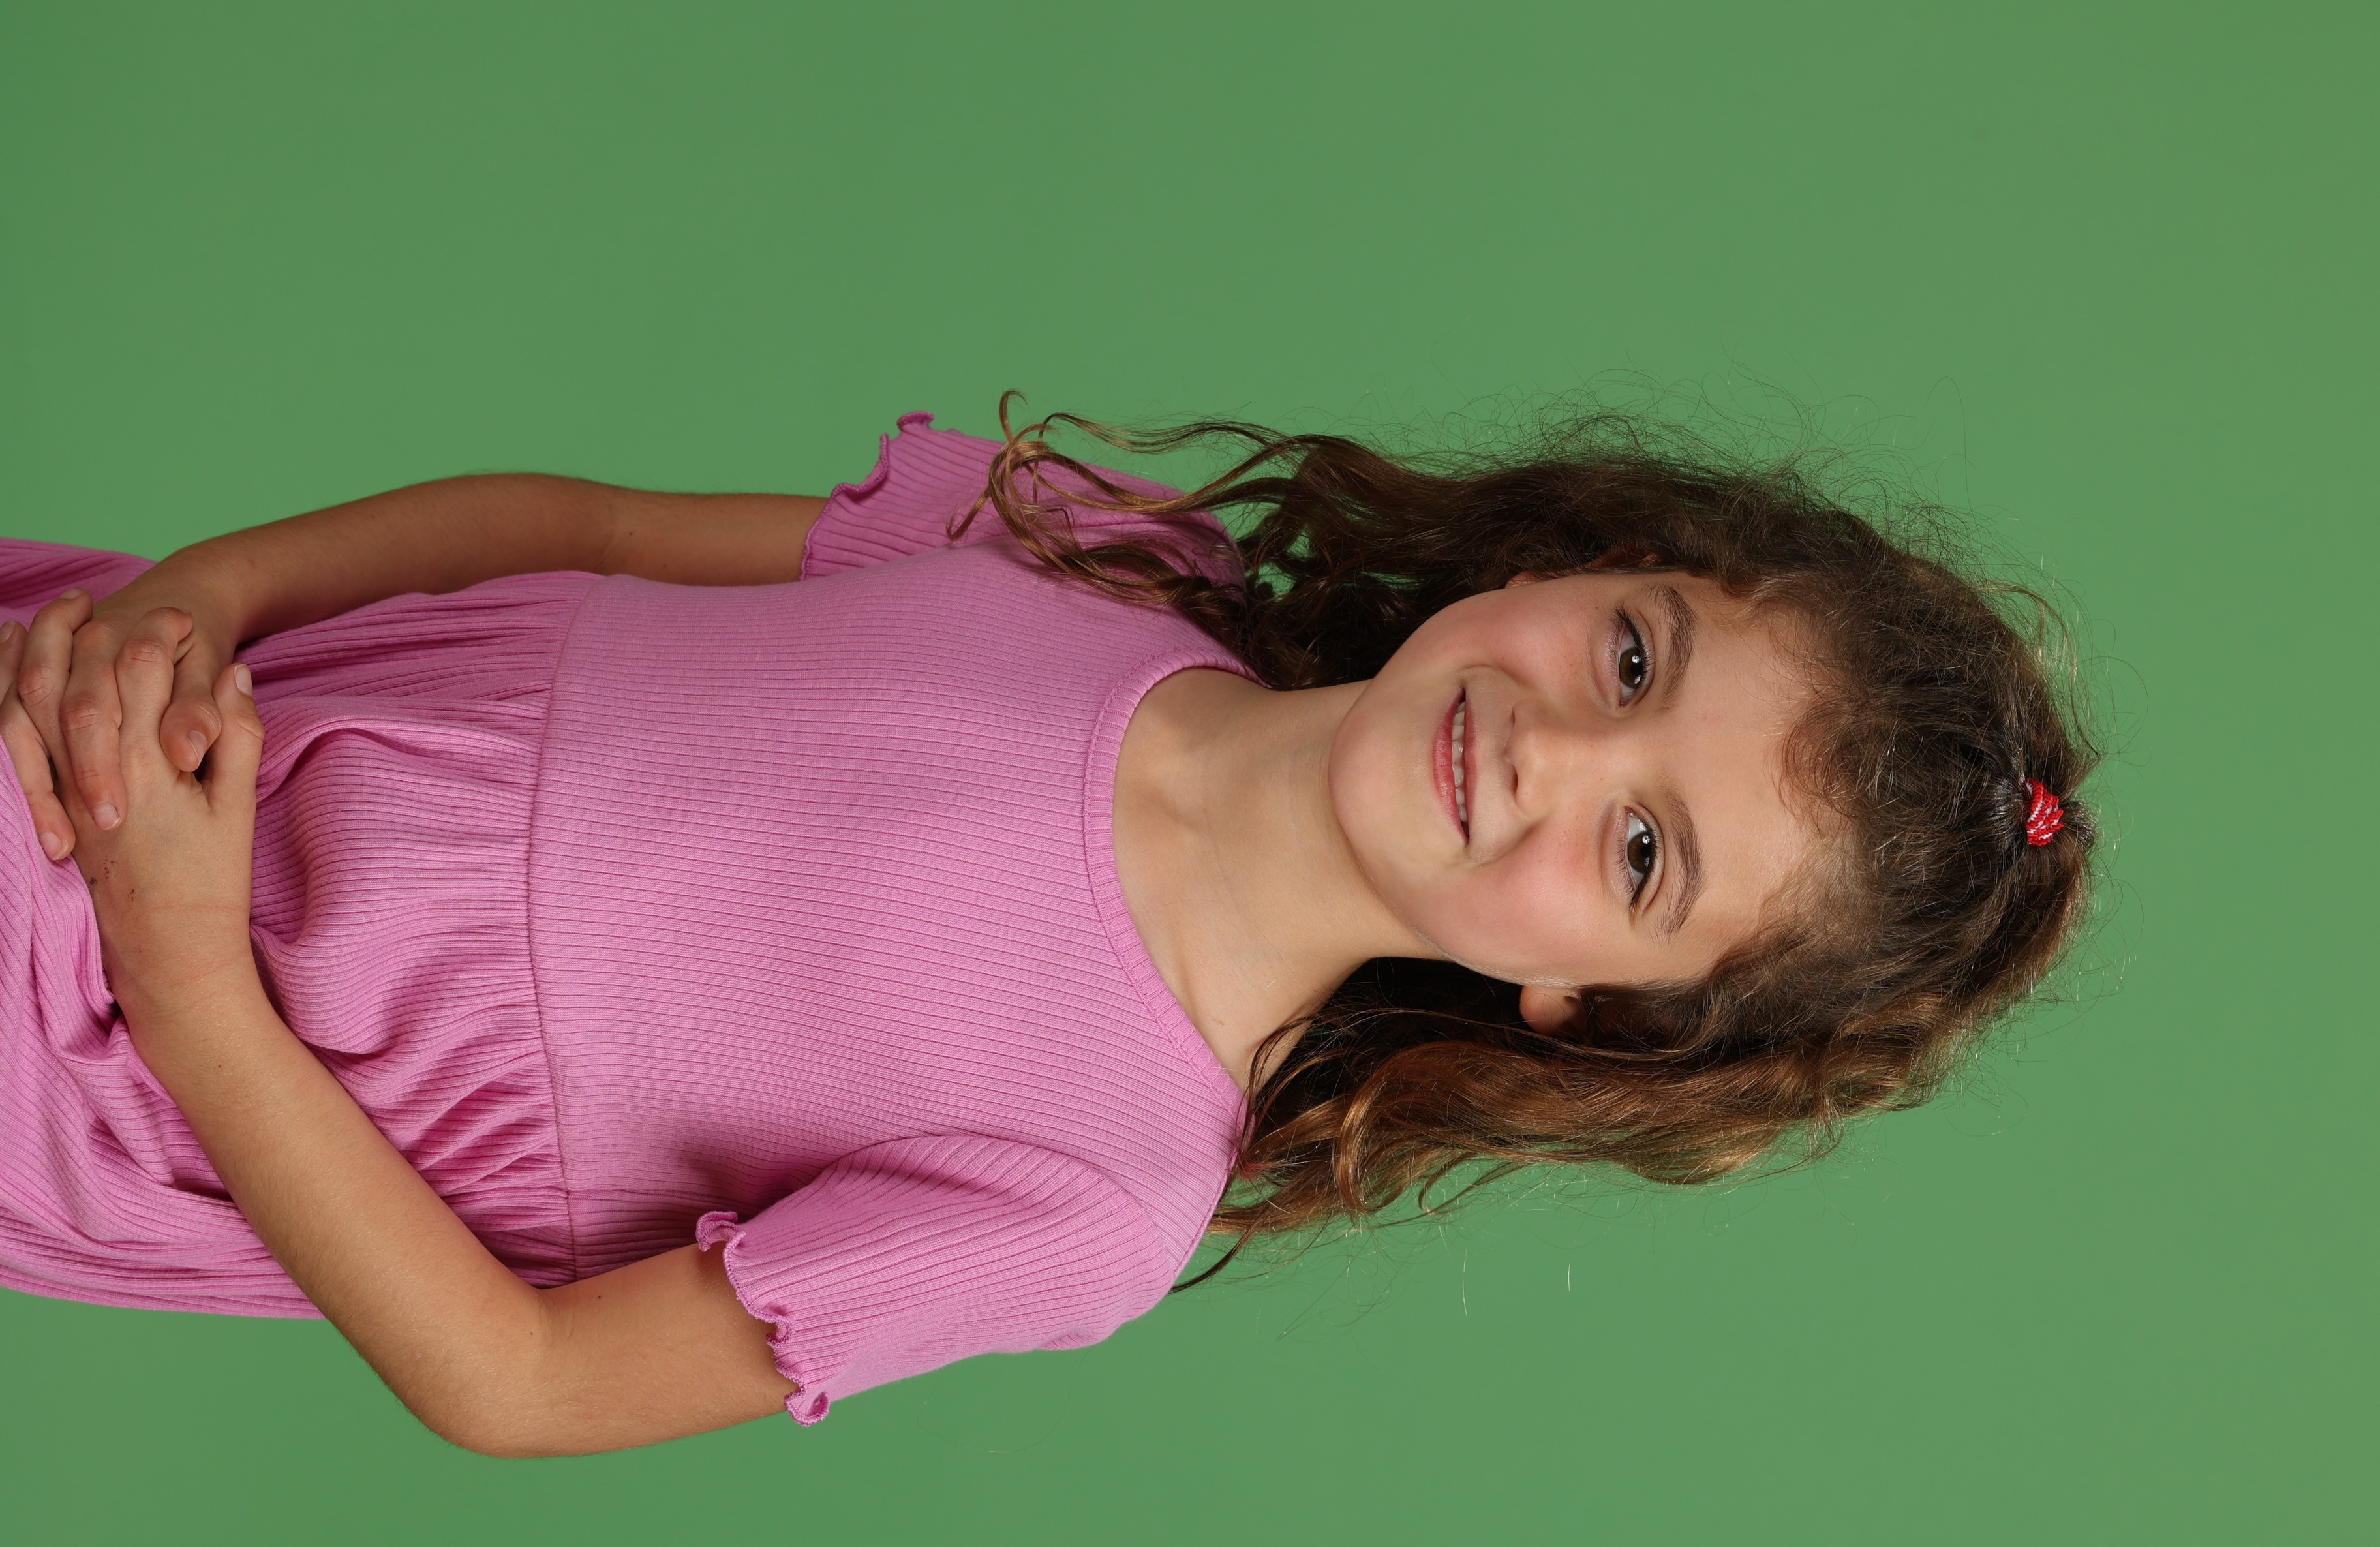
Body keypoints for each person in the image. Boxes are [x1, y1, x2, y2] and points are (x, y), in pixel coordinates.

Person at [0, 404, 2096, 1456]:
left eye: (1642, 856)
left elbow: (522, 1383)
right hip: (114, 704)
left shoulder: (1093, 1198)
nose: (1557, 747)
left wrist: (181, 967)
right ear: (1599, 563)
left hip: (116, 1056)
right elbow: (581, 530)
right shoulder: (1104, 555)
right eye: (1634, 659)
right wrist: (203, 593)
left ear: (1595, 1005)